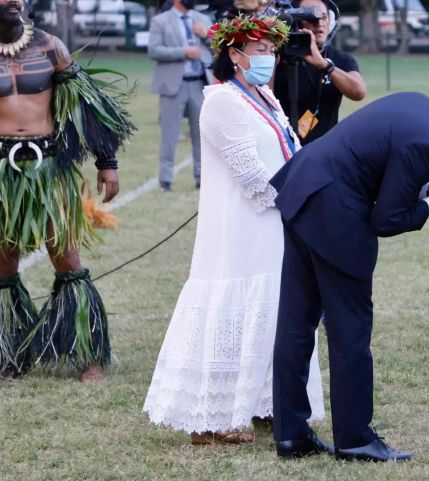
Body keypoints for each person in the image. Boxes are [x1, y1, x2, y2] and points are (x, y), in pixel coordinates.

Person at [269, 95, 429, 462]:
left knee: (296, 322)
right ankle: (354, 439)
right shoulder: (427, 146)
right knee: (349, 330)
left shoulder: (426, 113)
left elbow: (384, 174)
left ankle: (291, 434)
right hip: (334, 210)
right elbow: (387, 219)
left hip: (305, 190)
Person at [143, 16, 324, 445]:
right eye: (260, 51)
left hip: (277, 223)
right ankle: (210, 419)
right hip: (244, 224)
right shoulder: (223, 101)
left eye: (272, 51)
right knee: (235, 309)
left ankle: (269, 405)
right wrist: (292, 200)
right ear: (235, 55)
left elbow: (289, 150)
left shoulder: (265, 96)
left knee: (277, 313)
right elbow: (252, 175)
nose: (269, 58)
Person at [0, 0, 133, 382]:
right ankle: (9, 352)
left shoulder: (49, 47)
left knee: (68, 260)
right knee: (4, 265)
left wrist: (107, 163)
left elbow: (88, 108)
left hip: (49, 170)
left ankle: (88, 355)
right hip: (2, 176)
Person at [273, 0, 366, 143]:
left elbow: (359, 92)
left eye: (324, 16)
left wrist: (325, 65)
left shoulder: (340, 59)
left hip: (324, 150)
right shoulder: (278, 57)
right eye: (311, 17)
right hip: (282, 147)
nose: (319, 23)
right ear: (295, 22)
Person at [148, 0, 213, 192]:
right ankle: (165, 179)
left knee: (201, 134)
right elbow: (154, 50)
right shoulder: (160, 21)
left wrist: (206, 35)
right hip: (173, 85)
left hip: (199, 83)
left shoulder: (203, 20)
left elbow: (218, 46)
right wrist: (184, 52)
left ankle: (201, 177)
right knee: (170, 135)